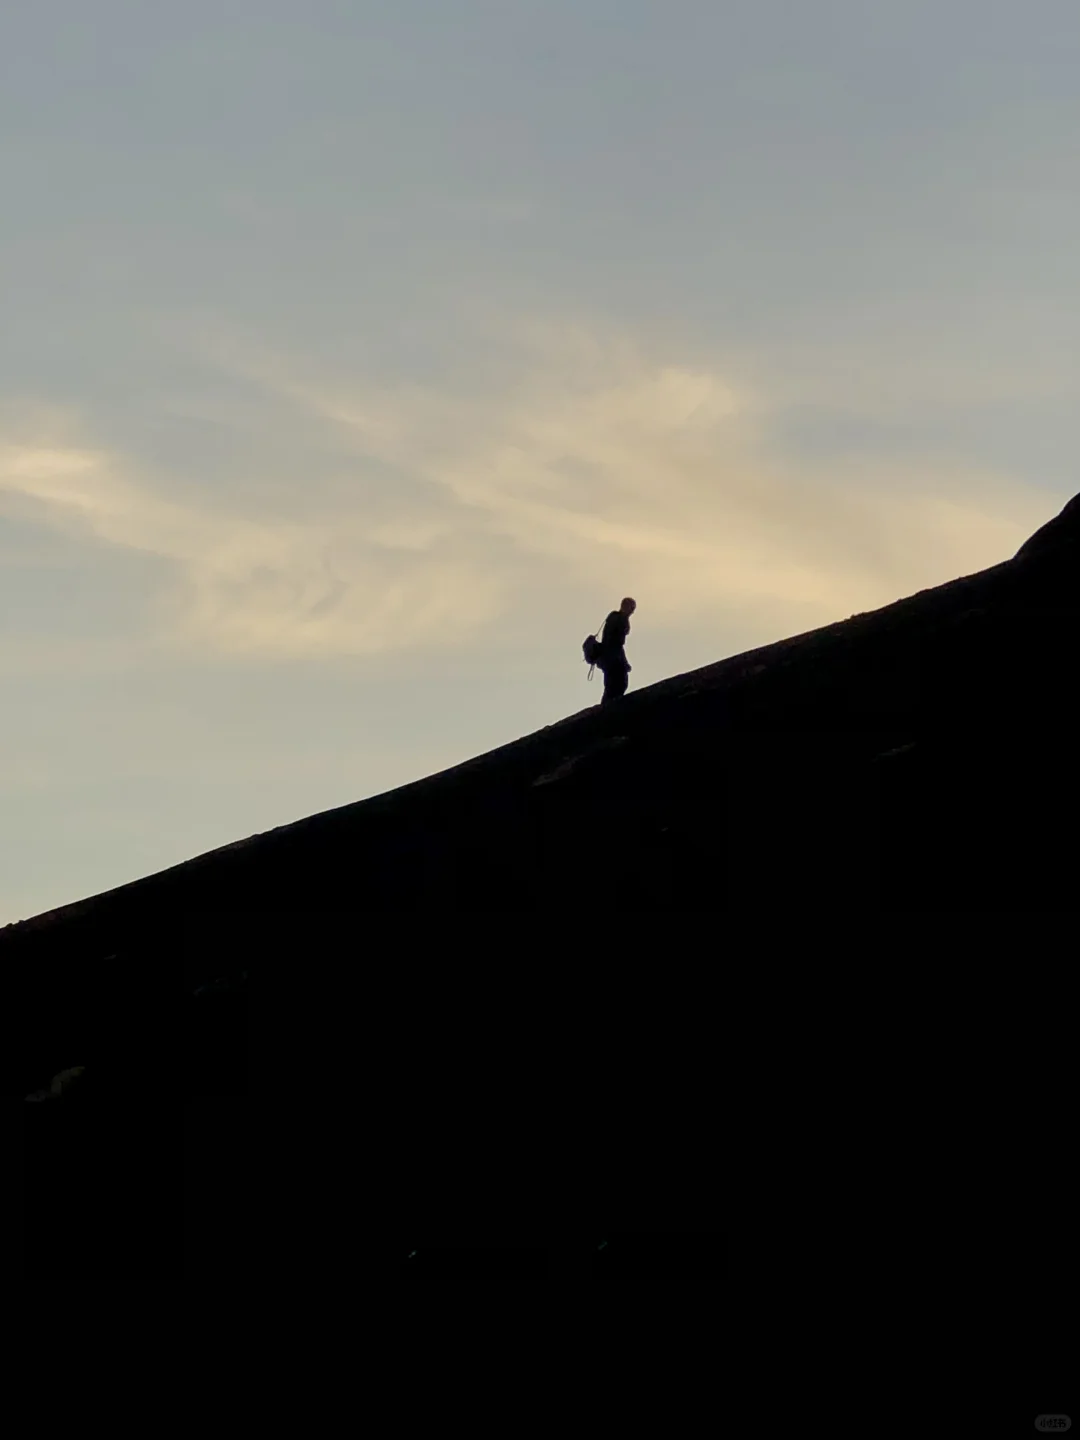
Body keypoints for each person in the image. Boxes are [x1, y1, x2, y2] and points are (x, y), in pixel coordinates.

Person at [598, 597, 636, 704]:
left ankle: (606, 708)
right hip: (613, 660)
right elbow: (616, 644)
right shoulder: (619, 619)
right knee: (617, 684)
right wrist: (623, 662)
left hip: (608, 660)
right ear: (626, 607)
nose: (632, 611)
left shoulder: (613, 618)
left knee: (612, 686)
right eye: (632, 608)